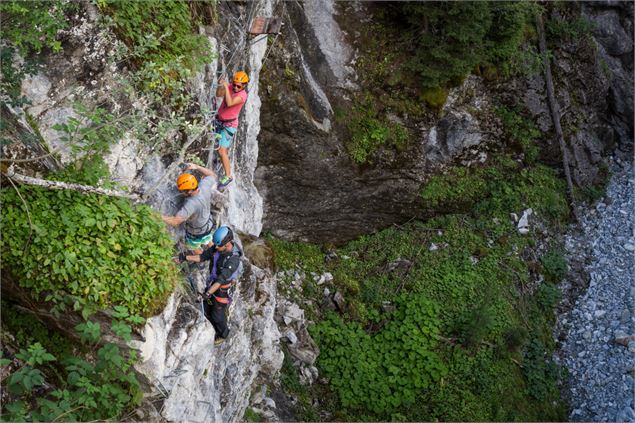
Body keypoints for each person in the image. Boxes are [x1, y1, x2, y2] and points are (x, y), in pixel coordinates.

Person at [179, 226, 243, 345]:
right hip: (213, 283)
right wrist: (184, 258)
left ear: (228, 243)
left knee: (217, 315)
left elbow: (221, 280)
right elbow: (203, 256)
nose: (216, 247)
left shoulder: (233, 260)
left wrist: (207, 293)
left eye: (219, 246)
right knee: (207, 308)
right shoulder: (218, 248)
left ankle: (223, 333)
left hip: (222, 288)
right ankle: (211, 326)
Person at [162, 163, 216, 254]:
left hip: (196, 232)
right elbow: (212, 175)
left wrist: (159, 217)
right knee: (207, 239)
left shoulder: (191, 204)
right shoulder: (204, 186)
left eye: (182, 191)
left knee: (192, 246)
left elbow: (175, 222)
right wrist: (197, 166)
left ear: (189, 191)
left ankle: (204, 257)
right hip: (208, 224)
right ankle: (215, 253)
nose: (181, 192)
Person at [214, 71, 249, 190]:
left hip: (229, 126)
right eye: (234, 84)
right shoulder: (230, 87)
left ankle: (228, 176)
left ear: (244, 86)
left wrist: (226, 87)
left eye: (238, 86)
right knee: (217, 147)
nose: (235, 87)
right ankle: (220, 163)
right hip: (219, 121)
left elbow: (229, 103)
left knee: (221, 151)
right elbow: (218, 94)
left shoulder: (243, 95)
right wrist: (221, 85)